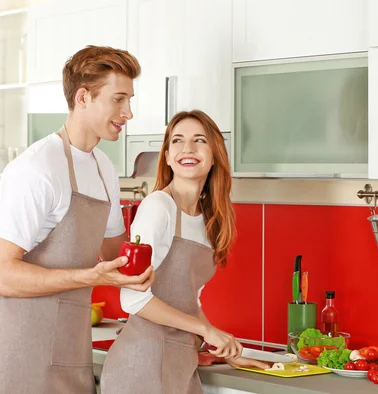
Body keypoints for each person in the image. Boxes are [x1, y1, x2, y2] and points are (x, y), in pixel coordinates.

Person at [0, 46, 154, 394]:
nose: (129, 113)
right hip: (21, 346)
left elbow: (112, 256)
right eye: (119, 99)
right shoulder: (36, 168)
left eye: (130, 100)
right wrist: (89, 276)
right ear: (83, 97)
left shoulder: (104, 168)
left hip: (72, 344)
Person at [100, 110, 268, 394]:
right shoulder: (158, 206)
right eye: (177, 141)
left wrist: (223, 346)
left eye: (199, 140)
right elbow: (132, 299)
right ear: (166, 156)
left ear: (215, 154)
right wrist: (206, 331)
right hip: (140, 367)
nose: (187, 149)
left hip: (180, 366)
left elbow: (188, 301)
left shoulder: (209, 221)